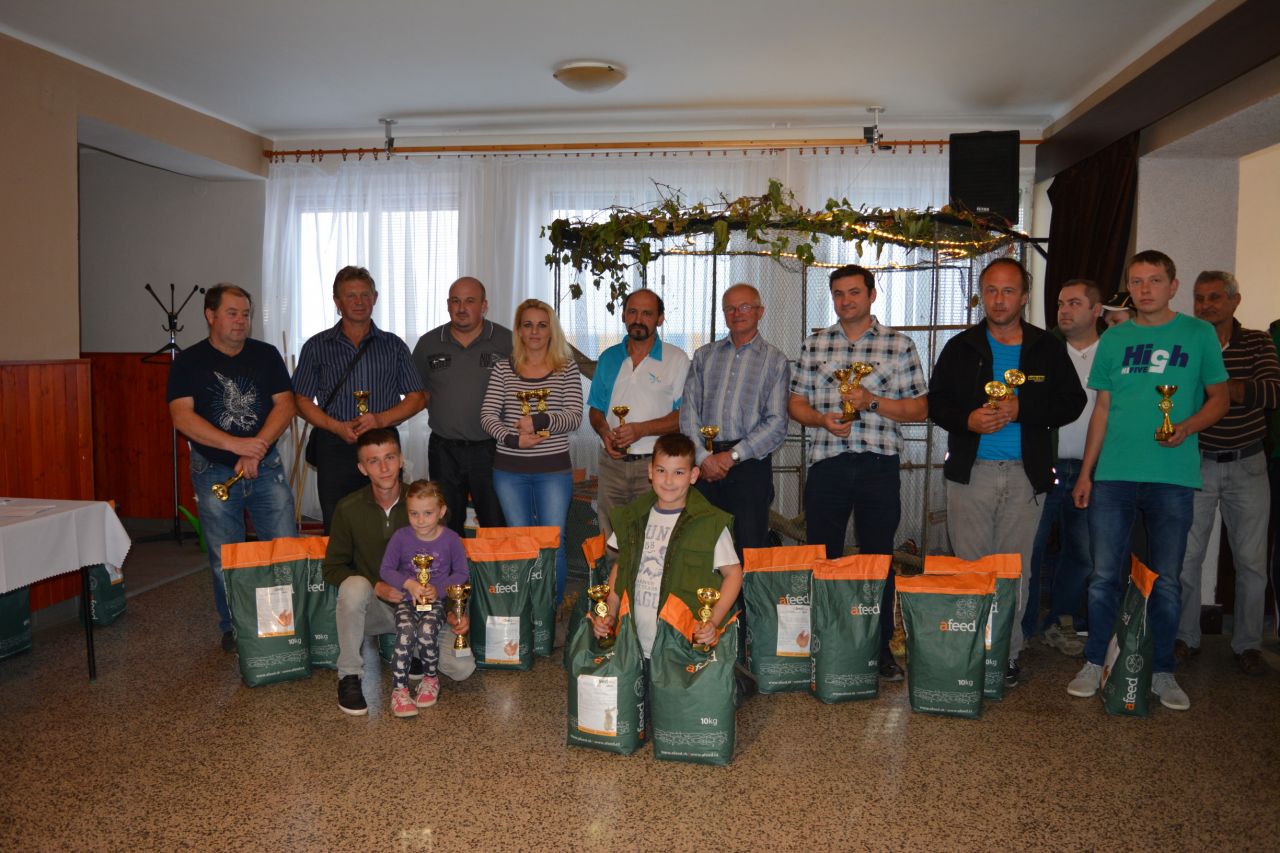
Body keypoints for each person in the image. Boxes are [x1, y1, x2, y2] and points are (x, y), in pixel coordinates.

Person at [1069, 250, 1228, 711]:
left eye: (1155, 280)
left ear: (1173, 286)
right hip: (1114, 476)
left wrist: (1188, 427)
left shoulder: (1198, 334)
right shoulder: (1115, 339)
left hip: (1172, 477)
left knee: (1168, 579)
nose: (1145, 289)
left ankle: (1161, 671)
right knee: (1102, 577)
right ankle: (1095, 660)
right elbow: (1102, 409)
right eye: (1137, 281)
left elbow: (1219, 398)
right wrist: (1087, 473)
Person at [928, 257, 1086, 687]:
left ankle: (1007, 654)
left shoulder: (1046, 347)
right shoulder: (961, 346)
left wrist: (1023, 408)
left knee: (1015, 572)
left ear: (1024, 297)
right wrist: (968, 420)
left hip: (1025, 476)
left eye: (1009, 291)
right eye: (992, 290)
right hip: (971, 475)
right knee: (970, 569)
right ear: (982, 295)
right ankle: (970, 653)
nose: (999, 300)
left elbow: (1072, 402)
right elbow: (937, 403)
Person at [787, 265, 928, 680]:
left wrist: (871, 402)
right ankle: (823, 644)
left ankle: (878, 648)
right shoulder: (815, 344)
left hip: (878, 465)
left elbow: (920, 408)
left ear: (871, 295)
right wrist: (820, 420)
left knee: (878, 558)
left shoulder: (899, 345)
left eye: (853, 292)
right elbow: (795, 403)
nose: (845, 300)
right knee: (822, 557)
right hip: (827, 463)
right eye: (838, 293)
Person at [167, 284, 298, 652]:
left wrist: (255, 450)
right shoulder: (188, 362)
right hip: (213, 469)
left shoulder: (266, 354)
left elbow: (285, 405)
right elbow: (182, 417)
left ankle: (282, 624)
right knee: (226, 555)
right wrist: (236, 445)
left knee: (283, 548)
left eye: (246, 314)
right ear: (210, 315)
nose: (241, 321)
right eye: (232, 313)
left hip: (265, 466)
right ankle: (235, 627)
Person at [324, 429, 474, 716]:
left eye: (390, 457)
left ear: (401, 460)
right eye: (373, 461)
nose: (384, 468)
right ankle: (349, 676)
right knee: (354, 586)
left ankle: (409, 650)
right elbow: (332, 569)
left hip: (426, 607)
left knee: (461, 667)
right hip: (376, 609)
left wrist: (455, 610)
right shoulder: (348, 508)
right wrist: (376, 586)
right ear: (362, 468)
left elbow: (452, 569)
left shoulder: (424, 501)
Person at [1175, 271, 1279, 675]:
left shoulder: (1257, 341)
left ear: (1235, 301)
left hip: (1248, 464)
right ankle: (1185, 638)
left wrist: (1216, 388)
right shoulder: (1188, 341)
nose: (1205, 306)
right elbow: (1175, 395)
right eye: (1199, 298)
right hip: (1196, 461)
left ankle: (1248, 644)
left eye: (1215, 297)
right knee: (1187, 558)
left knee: (1251, 562)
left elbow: (1272, 392)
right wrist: (1235, 389)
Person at [294, 266, 426, 532]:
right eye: (350, 295)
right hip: (334, 444)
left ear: (375, 298)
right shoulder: (316, 346)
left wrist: (381, 419)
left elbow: (418, 397)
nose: (359, 301)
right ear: (337, 301)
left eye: (365, 294)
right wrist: (335, 427)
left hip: (383, 444)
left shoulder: (394, 345)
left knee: (389, 519)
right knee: (337, 519)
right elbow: (300, 400)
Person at [590, 433, 742, 662]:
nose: (668, 481)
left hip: (681, 647)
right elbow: (620, 567)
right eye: (661, 470)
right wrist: (610, 612)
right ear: (650, 472)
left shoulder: (710, 523)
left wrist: (713, 621)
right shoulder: (631, 518)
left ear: (693, 475)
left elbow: (733, 573)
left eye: (678, 472)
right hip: (634, 643)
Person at [480, 298, 584, 606]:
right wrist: (514, 439)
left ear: (551, 330)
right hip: (509, 472)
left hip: (553, 472)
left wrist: (538, 421)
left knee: (553, 543)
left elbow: (574, 416)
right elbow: (487, 416)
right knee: (520, 542)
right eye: (528, 325)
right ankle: (525, 610)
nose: (535, 332)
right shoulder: (503, 368)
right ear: (519, 330)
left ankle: (550, 610)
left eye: (542, 325)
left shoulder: (566, 367)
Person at [679, 283, 791, 555]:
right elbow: (688, 413)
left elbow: (777, 423)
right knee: (702, 548)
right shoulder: (704, 356)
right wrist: (703, 458)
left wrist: (731, 457)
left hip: (749, 465)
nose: (737, 313)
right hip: (704, 465)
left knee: (749, 550)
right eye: (730, 308)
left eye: (744, 307)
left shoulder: (776, 361)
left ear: (760, 312)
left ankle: (747, 588)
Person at [1023, 279, 1103, 656]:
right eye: (1060, 303)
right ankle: (1022, 627)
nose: (1064, 310)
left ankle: (1061, 621)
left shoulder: (1112, 350)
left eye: (1074, 303)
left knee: (1083, 552)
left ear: (1096, 310)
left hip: (1093, 469)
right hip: (1046, 465)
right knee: (1032, 547)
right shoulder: (1042, 348)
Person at [412, 276, 513, 536]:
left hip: (493, 448)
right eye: (455, 301)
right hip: (444, 450)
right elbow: (417, 393)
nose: (461, 308)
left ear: (484, 305)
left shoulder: (507, 341)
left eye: (469, 301)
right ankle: (449, 566)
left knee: (496, 523)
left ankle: (497, 566)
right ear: (448, 305)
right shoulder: (428, 344)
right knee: (444, 526)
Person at [587, 288, 690, 540]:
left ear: (660, 319)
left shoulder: (676, 359)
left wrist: (641, 430)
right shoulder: (609, 357)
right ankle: (613, 569)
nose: (638, 319)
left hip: (657, 467)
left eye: (647, 313)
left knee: (654, 539)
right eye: (632, 312)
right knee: (611, 538)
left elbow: (684, 416)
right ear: (623, 315)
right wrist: (604, 432)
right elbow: (596, 410)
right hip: (612, 464)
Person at [379, 480, 471, 716]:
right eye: (414, 513)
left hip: (436, 602)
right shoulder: (401, 537)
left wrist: (438, 590)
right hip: (406, 600)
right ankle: (399, 690)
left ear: (441, 511)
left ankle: (430, 679)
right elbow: (386, 569)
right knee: (406, 631)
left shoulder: (451, 539)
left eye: (428, 513)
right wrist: (409, 584)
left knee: (427, 631)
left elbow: (462, 573)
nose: (420, 520)